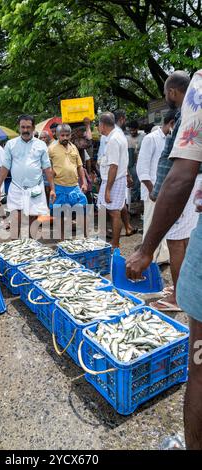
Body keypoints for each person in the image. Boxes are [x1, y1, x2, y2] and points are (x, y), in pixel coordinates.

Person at [126, 69, 202, 450]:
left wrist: (143, 250)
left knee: (200, 366)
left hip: (184, 204)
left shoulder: (199, 87)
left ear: (174, 93)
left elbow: (182, 173)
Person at [149, 71, 199, 310]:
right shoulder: (184, 115)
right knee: (185, 239)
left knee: (175, 241)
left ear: (173, 92)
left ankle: (179, 296)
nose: (165, 96)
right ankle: (183, 288)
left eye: (165, 92)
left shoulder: (186, 117)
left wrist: (161, 192)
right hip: (193, 189)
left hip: (185, 190)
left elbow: (176, 165)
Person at [0, 115, 56, 236]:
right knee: (15, 219)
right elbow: (5, 167)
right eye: (23, 127)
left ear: (33, 128)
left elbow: (47, 168)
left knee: (33, 220)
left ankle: (30, 245)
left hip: (36, 187)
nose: (25, 130)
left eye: (28, 127)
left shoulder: (41, 145)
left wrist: (53, 188)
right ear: (19, 128)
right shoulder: (10, 144)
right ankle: (14, 247)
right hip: (17, 187)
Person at [136, 111, 176, 264]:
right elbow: (142, 169)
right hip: (153, 191)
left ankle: (163, 256)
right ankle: (149, 259)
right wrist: (154, 190)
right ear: (171, 123)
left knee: (165, 224)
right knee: (151, 223)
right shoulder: (150, 139)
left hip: (166, 191)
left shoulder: (170, 139)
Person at [48, 124, 88, 237]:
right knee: (59, 214)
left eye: (67, 135)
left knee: (83, 210)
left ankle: (86, 237)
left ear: (70, 135)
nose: (65, 137)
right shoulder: (51, 149)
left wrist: (84, 182)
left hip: (74, 186)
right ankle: (61, 239)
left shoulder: (74, 147)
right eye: (62, 135)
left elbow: (80, 166)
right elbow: (46, 168)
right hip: (59, 186)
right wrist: (51, 186)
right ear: (57, 135)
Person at [97, 112, 128, 248]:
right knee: (108, 210)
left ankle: (115, 243)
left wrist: (108, 189)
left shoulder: (114, 139)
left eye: (98, 125)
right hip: (113, 179)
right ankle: (110, 240)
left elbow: (113, 166)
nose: (98, 128)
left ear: (102, 125)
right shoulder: (117, 135)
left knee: (115, 212)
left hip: (114, 180)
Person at [114, 110, 137, 237]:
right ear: (122, 119)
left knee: (118, 204)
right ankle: (125, 228)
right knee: (117, 204)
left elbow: (121, 159)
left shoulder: (116, 134)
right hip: (116, 175)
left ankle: (126, 228)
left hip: (117, 175)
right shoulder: (116, 134)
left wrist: (127, 174)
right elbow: (119, 159)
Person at [127, 120, 144, 203]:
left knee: (138, 182)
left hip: (140, 162)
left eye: (133, 130)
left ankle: (136, 199)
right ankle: (133, 200)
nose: (132, 132)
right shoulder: (127, 138)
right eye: (130, 130)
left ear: (137, 129)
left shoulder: (143, 136)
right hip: (131, 163)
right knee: (134, 182)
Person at [39, 131, 52, 204]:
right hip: (41, 173)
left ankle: (50, 206)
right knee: (43, 190)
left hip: (49, 172)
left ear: (48, 138)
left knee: (49, 189)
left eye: (45, 137)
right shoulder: (38, 148)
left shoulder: (51, 147)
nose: (43, 139)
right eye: (41, 138)